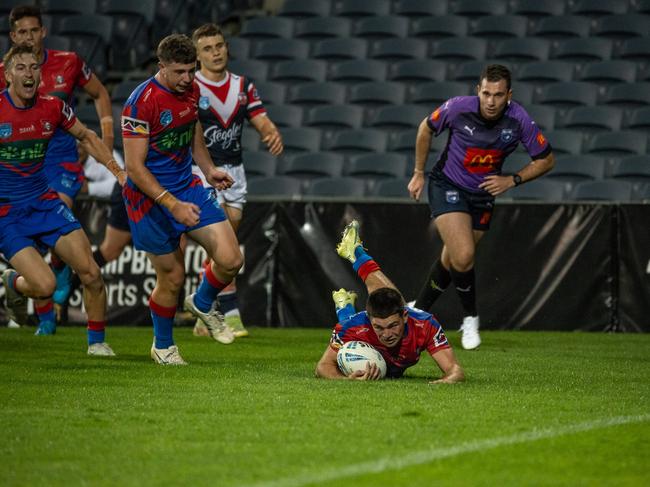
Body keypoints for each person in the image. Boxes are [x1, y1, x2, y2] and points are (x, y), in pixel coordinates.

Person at [407, 64, 555, 350]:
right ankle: (471, 318)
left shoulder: (518, 119)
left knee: (453, 258)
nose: (491, 101)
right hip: (447, 184)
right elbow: (425, 128)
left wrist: (512, 180)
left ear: (508, 95)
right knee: (463, 254)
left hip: (483, 194)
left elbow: (546, 160)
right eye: (486, 93)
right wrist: (418, 172)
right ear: (478, 91)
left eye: (498, 95)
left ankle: (418, 309)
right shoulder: (457, 108)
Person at [121, 34, 243, 365]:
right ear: (161, 67)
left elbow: (193, 133)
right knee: (172, 278)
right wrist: (171, 204)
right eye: (179, 72)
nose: (188, 79)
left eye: (191, 70)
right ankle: (163, 345)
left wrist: (208, 169)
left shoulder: (191, 90)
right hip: (148, 198)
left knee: (231, 259)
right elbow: (133, 167)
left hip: (187, 185)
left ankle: (202, 303)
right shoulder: (140, 102)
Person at [0, 44, 125, 355]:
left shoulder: (53, 108)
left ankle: (97, 343)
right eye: (20, 67)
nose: (28, 73)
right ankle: (13, 282)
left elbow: (86, 137)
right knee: (44, 287)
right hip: (8, 214)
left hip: (45, 202)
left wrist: (118, 172)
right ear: (7, 75)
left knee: (91, 273)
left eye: (33, 67)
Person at [190, 23, 283, 339]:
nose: (215, 53)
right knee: (223, 244)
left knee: (223, 245)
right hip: (204, 172)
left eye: (219, 46)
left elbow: (259, 118)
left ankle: (204, 313)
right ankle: (228, 312)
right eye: (207, 48)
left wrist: (271, 133)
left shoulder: (243, 86)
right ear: (197, 55)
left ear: (226, 48)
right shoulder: (192, 87)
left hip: (236, 173)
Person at [315, 220, 465, 383]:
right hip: (355, 329)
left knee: (393, 300)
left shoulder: (424, 325)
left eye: (393, 325)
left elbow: (454, 370)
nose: (387, 335)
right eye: (378, 327)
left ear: (405, 316)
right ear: (369, 320)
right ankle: (345, 302)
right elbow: (322, 367)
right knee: (348, 326)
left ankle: (348, 290)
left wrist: (448, 379)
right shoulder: (355, 326)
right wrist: (347, 379)